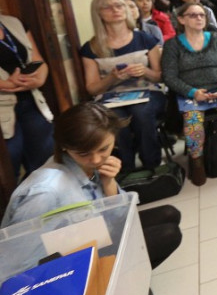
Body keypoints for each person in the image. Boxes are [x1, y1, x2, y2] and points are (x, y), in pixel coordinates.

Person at [1, 103, 182, 269]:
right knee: (168, 234)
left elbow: (119, 215)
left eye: (103, 149)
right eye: (83, 153)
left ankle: (128, 271)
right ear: (65, 147)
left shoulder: (86, 165)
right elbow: (16, 262)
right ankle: (116, 280)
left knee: (170, 213)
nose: (95, 159)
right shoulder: (44, 192)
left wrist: (108, 182)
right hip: (73, 259)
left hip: (93, 236)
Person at [162, 2, 217, 186]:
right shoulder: (172, 45)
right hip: (191, 93)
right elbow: (169, 77)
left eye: (202, 15)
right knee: (193, 124)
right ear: (181, 19)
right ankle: (198, 163)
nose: (199, 18)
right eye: (193, 15)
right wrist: (193, 92)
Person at [80, 0, 167, 173]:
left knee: (141, 112)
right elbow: (91, 88)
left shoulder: (145, 39)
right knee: (114, 119)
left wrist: (145, 71)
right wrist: (112, 78)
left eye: (119, 6)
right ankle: (123, 170)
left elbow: (160, 76)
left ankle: (153, 165)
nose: (115, 10)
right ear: (98, 13)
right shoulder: (91, 48)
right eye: (108, 7)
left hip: (147, 91)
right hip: (111, 98)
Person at [0, 13, 54, 178]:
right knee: (9, 169)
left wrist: (40, 78)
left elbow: (39, 61)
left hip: (31, 102)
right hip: (3, 109)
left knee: (46, 163)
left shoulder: (13, 22)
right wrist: (5, 84)